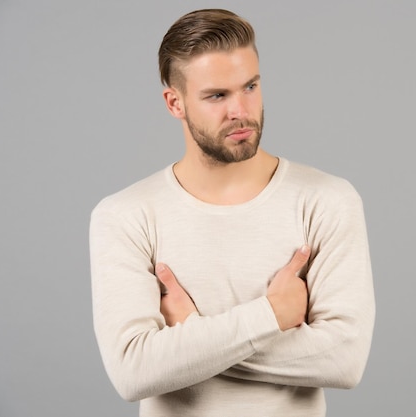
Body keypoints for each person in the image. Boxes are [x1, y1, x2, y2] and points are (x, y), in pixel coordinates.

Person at [89, 8, 375, 417]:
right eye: (217, 95)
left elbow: (345, 361)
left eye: (250, 86)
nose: (240, 110)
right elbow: (133, 372)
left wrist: (190, 337)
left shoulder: (327, 200)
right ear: (175, 103)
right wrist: (271, 315)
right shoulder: (126, 215)